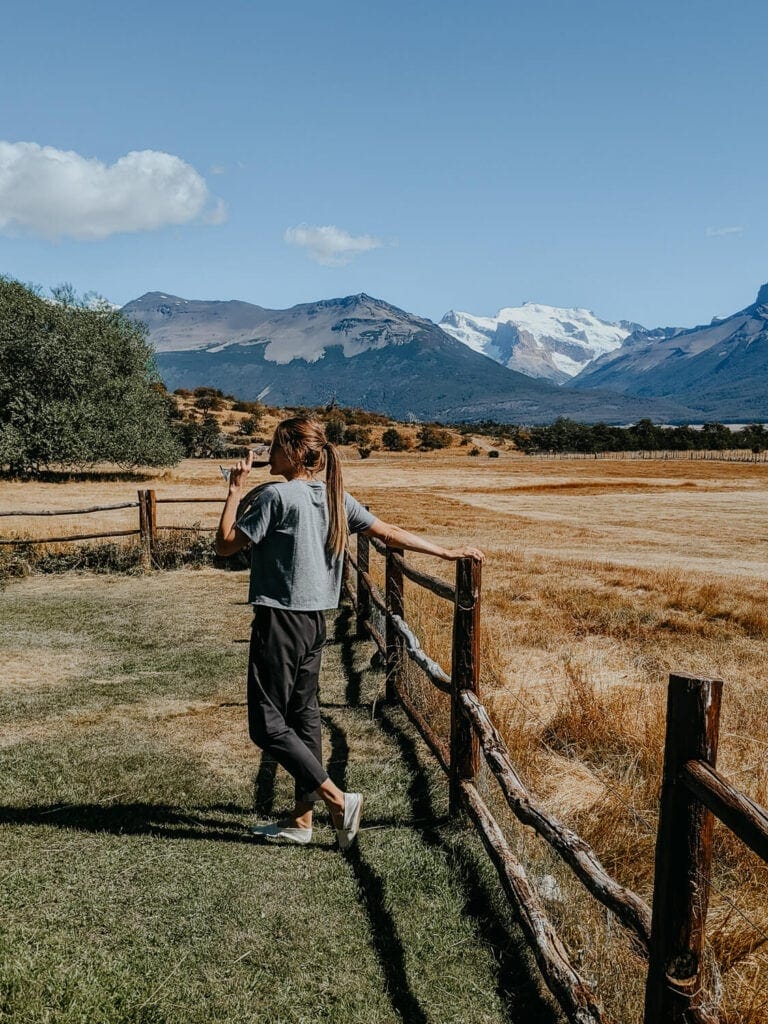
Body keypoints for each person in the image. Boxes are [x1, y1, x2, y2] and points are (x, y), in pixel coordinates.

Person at [215, 415, 484, 849]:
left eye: (275, 445)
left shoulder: (277, 498)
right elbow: (389, 533)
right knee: (303, 718)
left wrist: (233, 489)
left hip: (280, 619)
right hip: (314, 622)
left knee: (266, 726)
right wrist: (446, 551)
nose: (269, 453)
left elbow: (225, 543)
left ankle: (338, 800)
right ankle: (301, 822)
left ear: (295, 453)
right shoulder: (335, 497)